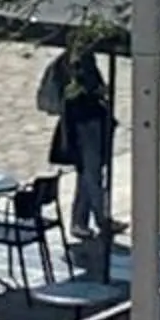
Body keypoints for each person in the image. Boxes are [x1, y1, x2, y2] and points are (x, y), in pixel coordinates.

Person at [44, 41, 114, 248]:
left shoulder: (79, 62)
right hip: (84, 125)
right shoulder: (73, 66)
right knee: (91, 174)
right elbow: (85, 92)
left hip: (90, 122)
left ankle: (81, 221)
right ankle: (101, 219)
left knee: (87, 174)